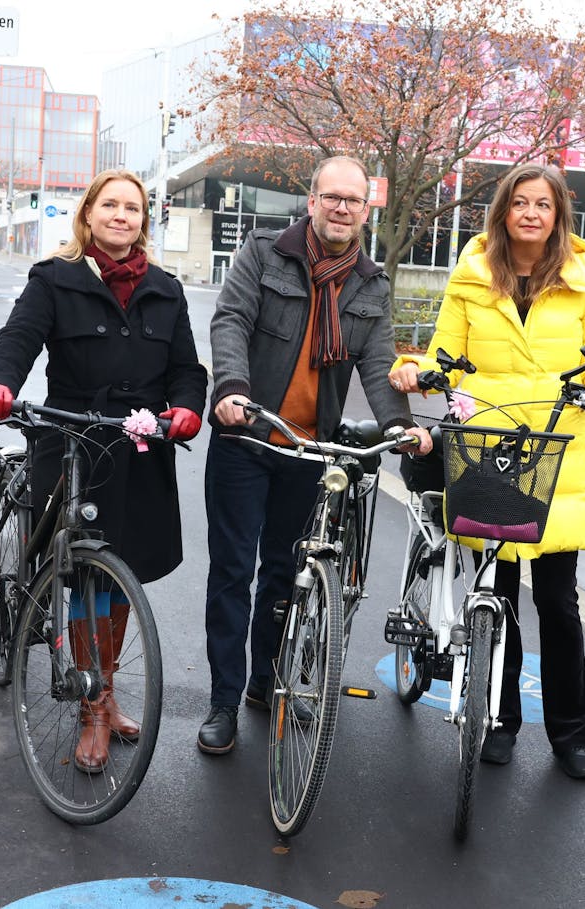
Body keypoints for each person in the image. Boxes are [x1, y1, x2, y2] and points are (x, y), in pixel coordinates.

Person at [389, 163, 585, 781]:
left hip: (554, 449)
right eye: (519, 202)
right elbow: (444, 351)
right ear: (503, 211)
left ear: (557, 216)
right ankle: (498, 719)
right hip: (489, 443)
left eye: (542, 204)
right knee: (497, 596)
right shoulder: (470, 278)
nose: (530, 213)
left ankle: (572, 735)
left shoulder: (582, 282)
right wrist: (416, 367)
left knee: (558, 603)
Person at [0, 168, 208, 773]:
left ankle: (104, 691)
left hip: (138, 446)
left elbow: (187, 367)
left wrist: (186, 407)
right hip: (71, 440)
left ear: (142, 222)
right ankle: (89, 708)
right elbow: (19, 338)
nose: (121, 215)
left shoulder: (165, 288)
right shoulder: (55, 279)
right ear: (88, 214)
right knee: (83, 577)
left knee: (121, 573)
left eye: (132, 207)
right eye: (110, 205)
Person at [199, 155, 431, 755]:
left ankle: (263, 683)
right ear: (312, 201)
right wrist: (230, 389)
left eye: (353, 201)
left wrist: (399, 426)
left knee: (283, 572)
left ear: (365, 210)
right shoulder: (263, 253)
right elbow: (230, 322)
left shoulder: (370, 284)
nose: (342, 208)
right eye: (332, 197)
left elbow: (378, 366)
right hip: (248, 434)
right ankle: (224, 701)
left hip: (307, 450)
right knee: (231, 572)